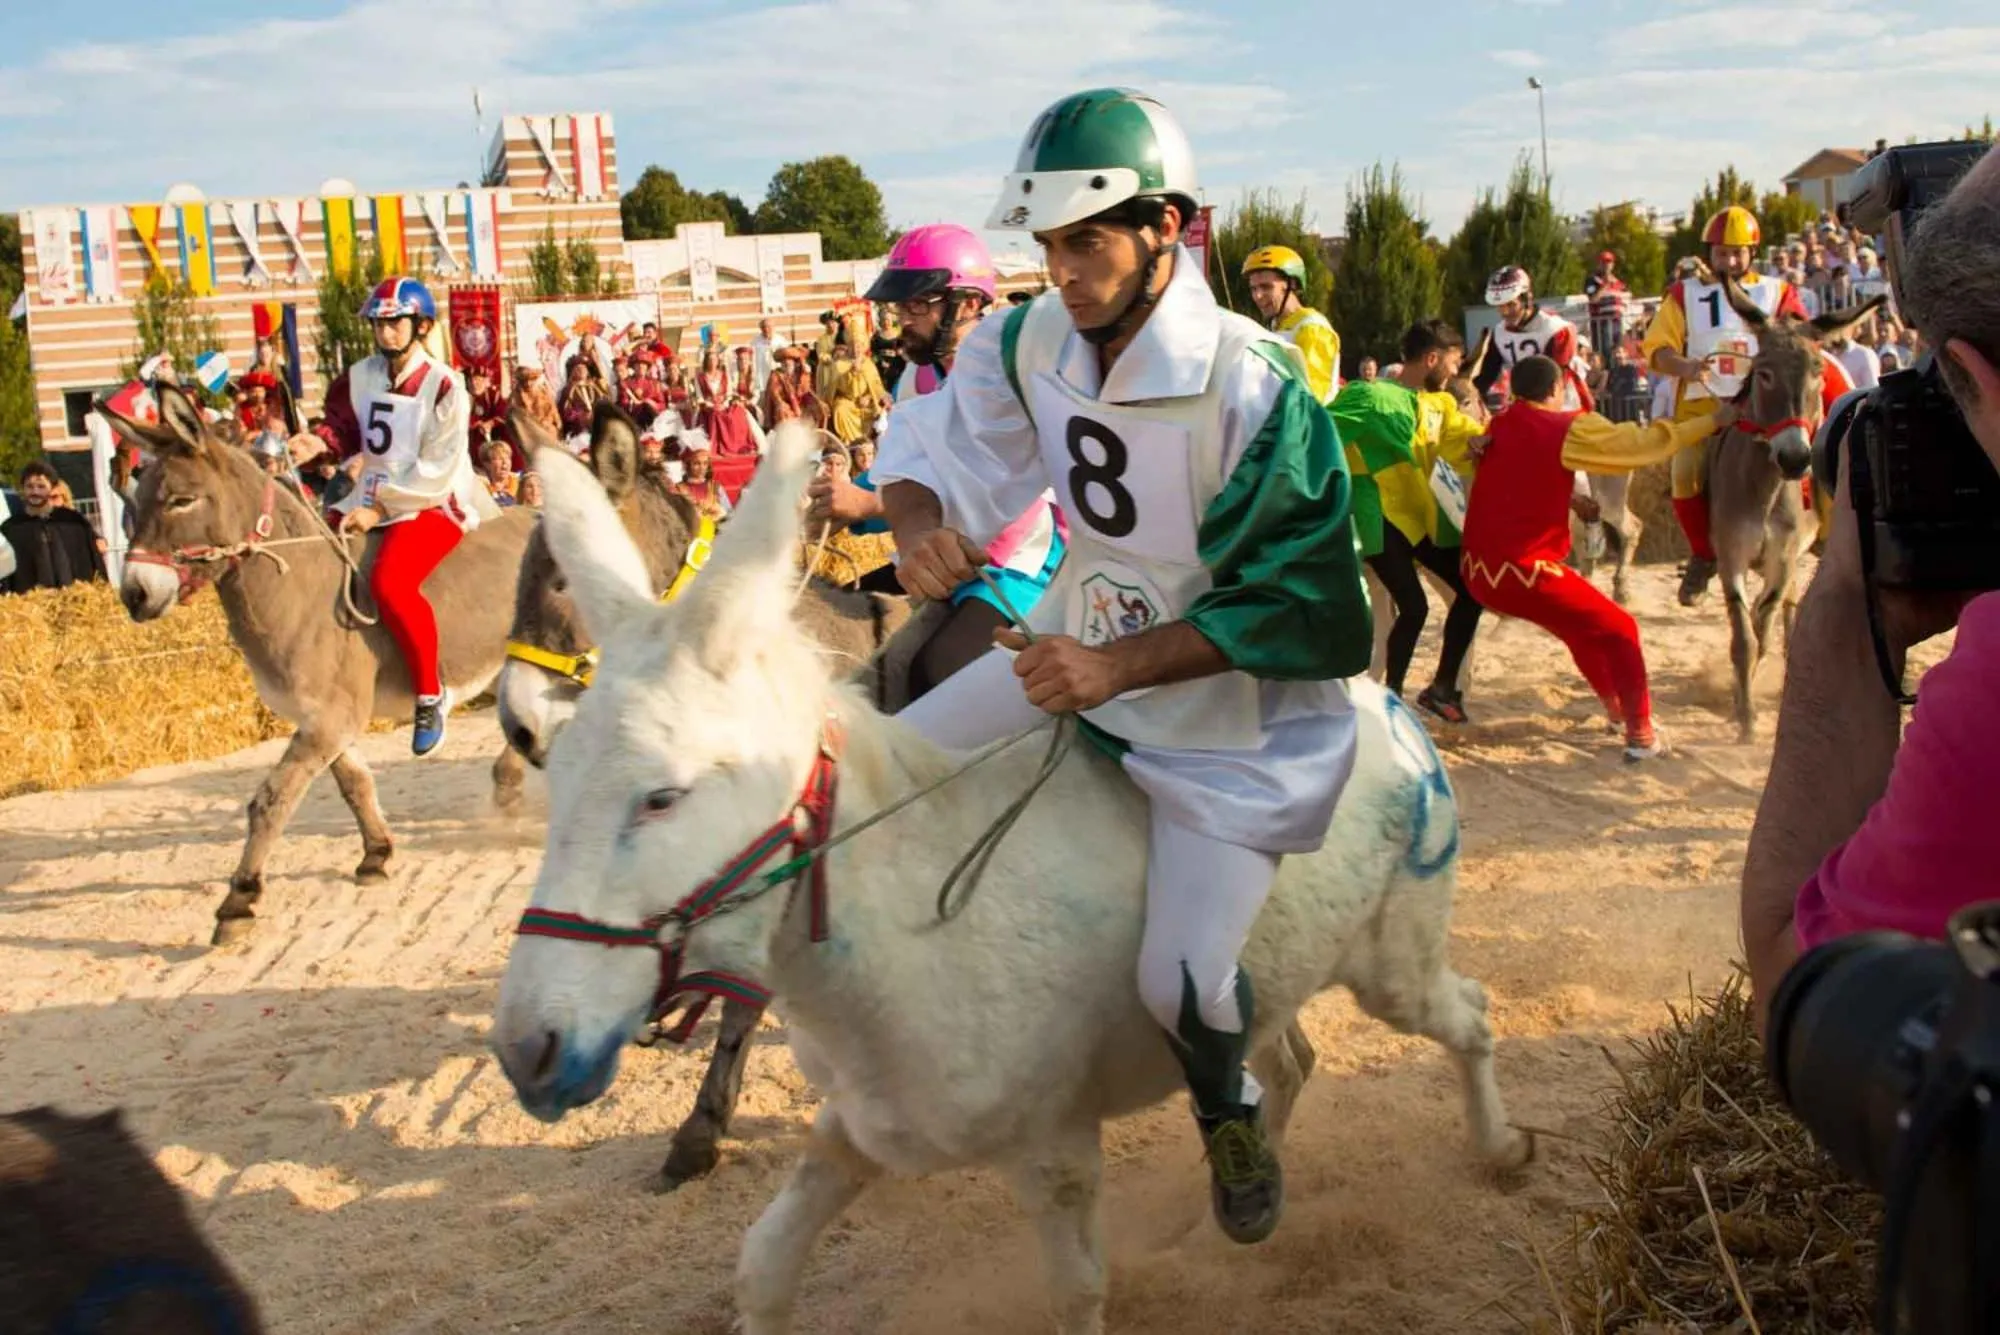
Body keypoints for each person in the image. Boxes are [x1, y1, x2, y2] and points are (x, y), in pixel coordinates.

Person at [872, 87, 1372, 1244]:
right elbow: (928, 454)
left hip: (1231, 716)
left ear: (1167, 229)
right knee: (887, 772)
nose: (1062, 270)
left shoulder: (1258, 384)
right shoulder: (1023, 336)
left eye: (1086, 240)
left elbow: (1306, 605)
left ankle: (1229, 1107)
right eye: (1047, 245)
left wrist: (1113, 671)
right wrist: (912, 525)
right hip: (1069, 643)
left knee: (1181, 979)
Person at [1740, 142, 2000, 1036]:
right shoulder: (1695, 302)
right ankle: (1702, 551)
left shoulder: (1991, 688)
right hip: (1742, 395)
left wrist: (1849, 607)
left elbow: (1798, 978)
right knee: (1707, 457)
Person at [811, 222, 1068, 683]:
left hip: (1016, 559)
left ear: (968, 303)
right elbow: (904, 469)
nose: (902, 319)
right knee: (842, 624)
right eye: (899, 305)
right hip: (939, 554)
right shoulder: (916, 379)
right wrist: (840, 502)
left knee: (939, 670)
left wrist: (866, 505)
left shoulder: (1015, 364)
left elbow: (1002, 486)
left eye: (917, 304)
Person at [1462, 356, 1733, 760]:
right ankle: (1640, 735)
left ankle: (1617, 710)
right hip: (1525, 572)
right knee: (1621, 629)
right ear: (1555, 390)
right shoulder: (1565, 427)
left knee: (1579, 630)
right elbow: (1642, 445)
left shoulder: (1499, 423)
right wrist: (1712, 421)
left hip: (1479, 573)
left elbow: (1518, 471)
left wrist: (1568, 497)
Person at [310, 276, 495, 756]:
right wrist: (317, 442)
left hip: (430, 500)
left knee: (391, 582)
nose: (386, 331)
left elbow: (437, 465)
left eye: (395, 322)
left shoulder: (445, 386)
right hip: (368, 492)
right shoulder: (359, 375)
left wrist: (379, 508)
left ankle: (430, 694)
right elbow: (342, 429)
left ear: (422, 325)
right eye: (380, 323)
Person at [1640, 205, 1809, 605]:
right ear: (1709, 252)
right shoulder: (1684, 294)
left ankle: (1827, 530)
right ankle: (1703, 555)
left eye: (1737, 252)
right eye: (1721, 253)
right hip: (1705, 408)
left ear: (1752, 252)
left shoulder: (1778, 291)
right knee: (1684, 473)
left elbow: (1802, 340)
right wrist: (1685, 365)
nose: (1729, 261)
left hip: (1765, 408)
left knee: (1810, 462)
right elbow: (1657, 349)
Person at [1331, 319, 1486, 720]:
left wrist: (1491, 440)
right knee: (1414, 608)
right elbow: (1319, 433)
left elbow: (1465, 438)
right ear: (1431, 359)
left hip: (1419, 516)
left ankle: (1442, 687)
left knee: (1472, 591)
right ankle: (1392, 698)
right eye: (1452, 363)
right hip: (1377, 518)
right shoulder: (1368, 396)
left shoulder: (1441, 405)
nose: (1455, 372)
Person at [1240, 245, 1340, 404]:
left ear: (1291, 284)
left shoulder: (1312, 327)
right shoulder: (1275, 326)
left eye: (1266, 287)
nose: (1258, 296)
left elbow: (1310, 396)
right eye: (1253, 288)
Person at [3, 461, 106, 593]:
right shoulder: (11, 529)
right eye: (29, 486)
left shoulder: (72, 521)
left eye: (41, 486)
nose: (35, 491)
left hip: (75, 601)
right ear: (22, 489)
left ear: (52, 487)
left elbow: (95, 564)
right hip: (32, 606)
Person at [1583, 250, 1630, 371]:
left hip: (1617, 320)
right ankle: (1606, 375)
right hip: (1602, 322)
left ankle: (1618, 373)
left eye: (1609, 262)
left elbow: (1625, 298)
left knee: (1618, 349)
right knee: (1605, 350)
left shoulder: (1618, 282)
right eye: (1603, 262)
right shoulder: (1593, 280)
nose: (1606, 265)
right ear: (1598, 264)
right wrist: (1604, 286)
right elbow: (1593, 299)